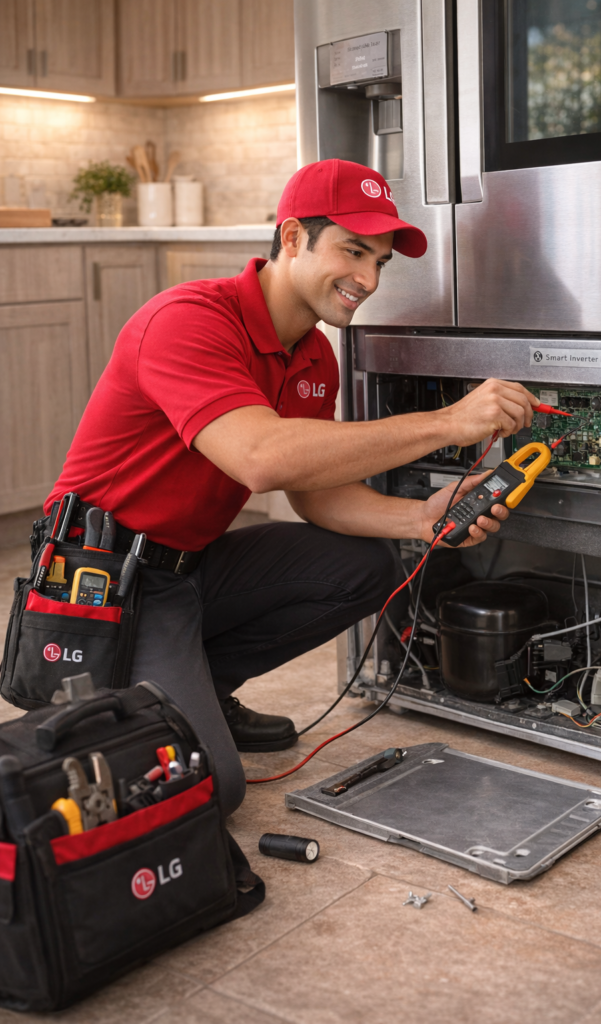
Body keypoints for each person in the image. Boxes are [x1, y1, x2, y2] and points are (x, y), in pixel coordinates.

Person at [45, 159, 538, 814]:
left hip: (190, 567)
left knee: (362, 567)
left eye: (380, 262)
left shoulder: (312, 353)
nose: (366, 279)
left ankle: (201, 689)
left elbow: (314, 492)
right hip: (102, 578)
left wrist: (421, 517)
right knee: (209, 790)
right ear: (293, 238)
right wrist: (447, 421)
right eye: (353, 251)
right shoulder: (188, 320)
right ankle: (127, 699)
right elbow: (261, 458)